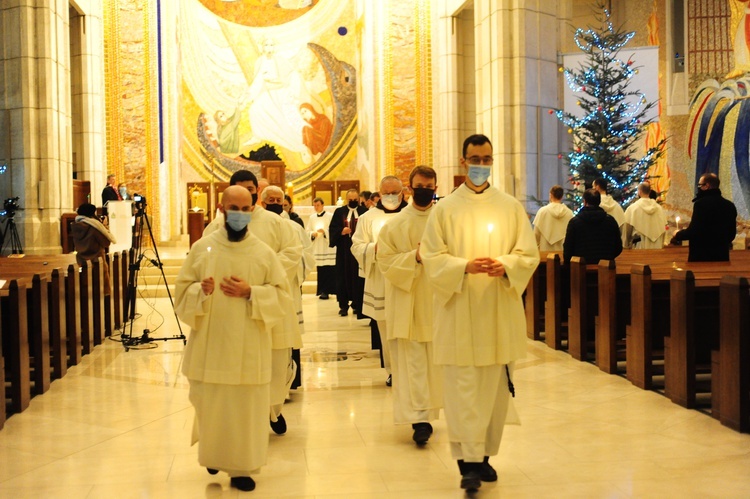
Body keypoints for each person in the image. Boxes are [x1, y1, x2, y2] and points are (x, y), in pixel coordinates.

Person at [420, 134, 539, 492]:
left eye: (486, 158)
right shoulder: (445, 209)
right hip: (459, 310)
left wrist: (504, 265)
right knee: (463, 389)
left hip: (498, 310)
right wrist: (464, 267)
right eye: (475, 158)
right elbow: (431, 256)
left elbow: (528, 254)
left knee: (493, 389)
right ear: (462, 162)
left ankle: (485, 455)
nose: (481, 164)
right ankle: (467, 462)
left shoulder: (510, 207)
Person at [176, 185, 292, 492]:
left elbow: (283, 297)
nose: (239, 215)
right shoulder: (204, 248)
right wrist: (199, 292)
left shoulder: (263, 253)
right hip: (211, 345)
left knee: (245, 408)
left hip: (248, 347)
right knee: (212, 403)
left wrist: (251, 292)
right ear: (222, 208)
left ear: (252, 210)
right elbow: (182, 291)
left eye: (245, 209)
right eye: (233, 209)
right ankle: (215, 453)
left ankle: (241, 468)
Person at [203, 170, 303, 435]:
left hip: (270, 302)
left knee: (276, 361)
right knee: (242, 365)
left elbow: (292, 253)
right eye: (241, 188)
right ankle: (247, 418)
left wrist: (259, 280)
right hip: (234, 306)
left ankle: (272, 410)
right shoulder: (217, 226)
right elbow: (204, 257)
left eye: (251, 188)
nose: (247, 192)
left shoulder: (276, 222)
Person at [377, 166, 442, 446]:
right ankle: (419, 419)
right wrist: (414, 257)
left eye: (430, 185)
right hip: (409, 301)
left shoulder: (445, 220)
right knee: (414, 363)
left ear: (435, 187)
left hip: (439, 301)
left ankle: (430, 411)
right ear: (410, 188)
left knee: (434, 364)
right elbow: (385, 263)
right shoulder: (395, 224)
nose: (425, 190)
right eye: (420, 185)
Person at [351, 175, 409, 386]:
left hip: (407, 279)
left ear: (403, 193)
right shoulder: (368, 217)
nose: (391, 197)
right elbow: (356, 246)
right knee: (386, 328)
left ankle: (412, 369)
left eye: (395, 193)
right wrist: (374, 248)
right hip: (382, 281)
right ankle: (393, 370)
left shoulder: (411, 215)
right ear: (379, 194)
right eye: (387, 193)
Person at [262, 185, 315, 391]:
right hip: (262, 289)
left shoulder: (294, 227)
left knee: (287, 332)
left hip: (288, 287)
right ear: (263, 202)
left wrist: (288, 268)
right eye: (271, 201)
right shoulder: (254, 226)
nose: (275, 204)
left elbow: (307, 255)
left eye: (279, 201)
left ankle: (291, 383)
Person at [670, 172, 737, 261]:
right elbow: (731, 234)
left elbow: (694, 231)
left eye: (699, 186)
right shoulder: (729, 205)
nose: (699, 188)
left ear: (707, 186)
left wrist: (677, 234)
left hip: (701, 255)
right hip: (722, 256)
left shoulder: (701, 204)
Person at [328, 188, 367, 316]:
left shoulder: (364, 212)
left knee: (358, 277)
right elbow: (333, 228)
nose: (353, 202)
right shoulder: (340, 212)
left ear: (359, 199)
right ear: (346, 199)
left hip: (359, 251)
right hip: (344, 250)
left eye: (356, 200)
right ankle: (343, 305)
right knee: (342, 276)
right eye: (351, 200)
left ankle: (357, 304)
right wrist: (341, 231)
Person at [563, 189, 623, 264]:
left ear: (584, 202)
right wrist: (607, 258)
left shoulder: (575, 222)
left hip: (581, 269)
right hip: (605, 269)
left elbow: (568, 249)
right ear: (599, 202)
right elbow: (618, 247)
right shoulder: (610, 221)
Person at [71, 203, 116, 295]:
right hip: (97, 261)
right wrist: (104, 226)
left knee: (87, 291)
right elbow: (106, 243)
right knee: (99, 291)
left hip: (82, 260)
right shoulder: (94, 227)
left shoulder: (75, 225)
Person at [306, 197, 336, 299]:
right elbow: (307, 231)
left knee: (329, 269)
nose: (316, 207)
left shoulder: (330, 216)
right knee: (321, 269)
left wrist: (325, 232)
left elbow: (333, 229)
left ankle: (328, 291)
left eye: (318, 205)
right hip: (318, 247)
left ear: (323, 205)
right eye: (314, 205)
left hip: (327, 246)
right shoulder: (312, 217)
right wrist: (312, 234)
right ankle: (322, 291)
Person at [623, 182, 667, 249]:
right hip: (657, 247)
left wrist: (625, 245)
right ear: (649, 192)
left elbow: (626, 230)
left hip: (640, 246)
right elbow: (663, 229)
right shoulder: (659, 209)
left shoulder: (633, 208)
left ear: (639, 192)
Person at [533, 185, 574, 252]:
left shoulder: (542, 211)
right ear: (562, 197)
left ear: (551, 195)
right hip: (563, 252)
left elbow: (536, 234)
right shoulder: (569, 213)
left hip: (545, 252)